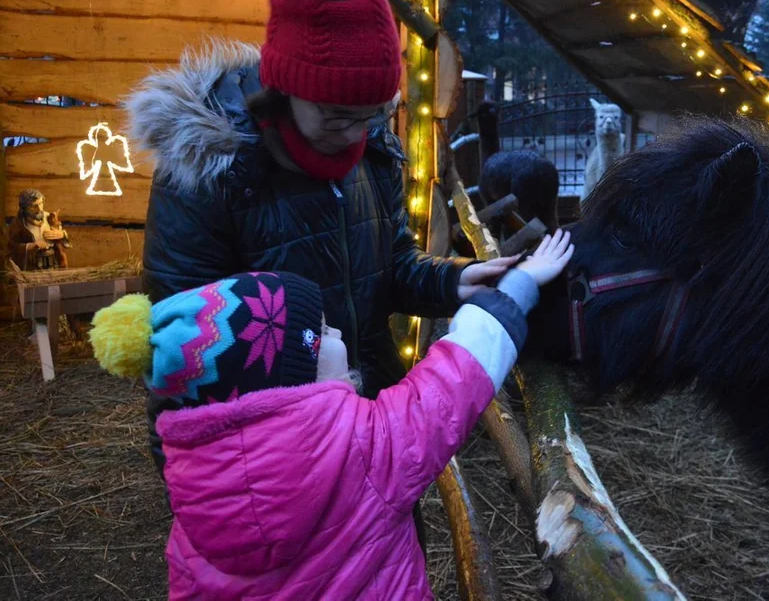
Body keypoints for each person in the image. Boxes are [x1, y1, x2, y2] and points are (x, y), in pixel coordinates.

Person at [122, 0, 517, 499]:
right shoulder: (210, 174)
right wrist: (207, 491)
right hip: (270, 460)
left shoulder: (372, 150)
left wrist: (455, 282)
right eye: (337, 116)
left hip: (373, 431)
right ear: (285, 88)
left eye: (374, 112)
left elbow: (388, 266)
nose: (357, 132)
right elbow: (181, 351)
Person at [87, 231, 573, 601]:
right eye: (324, 335)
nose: (340, 332)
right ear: (296, 383)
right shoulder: (365, 449)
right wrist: (517, 288)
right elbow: (453, 380)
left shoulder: (194, 489)